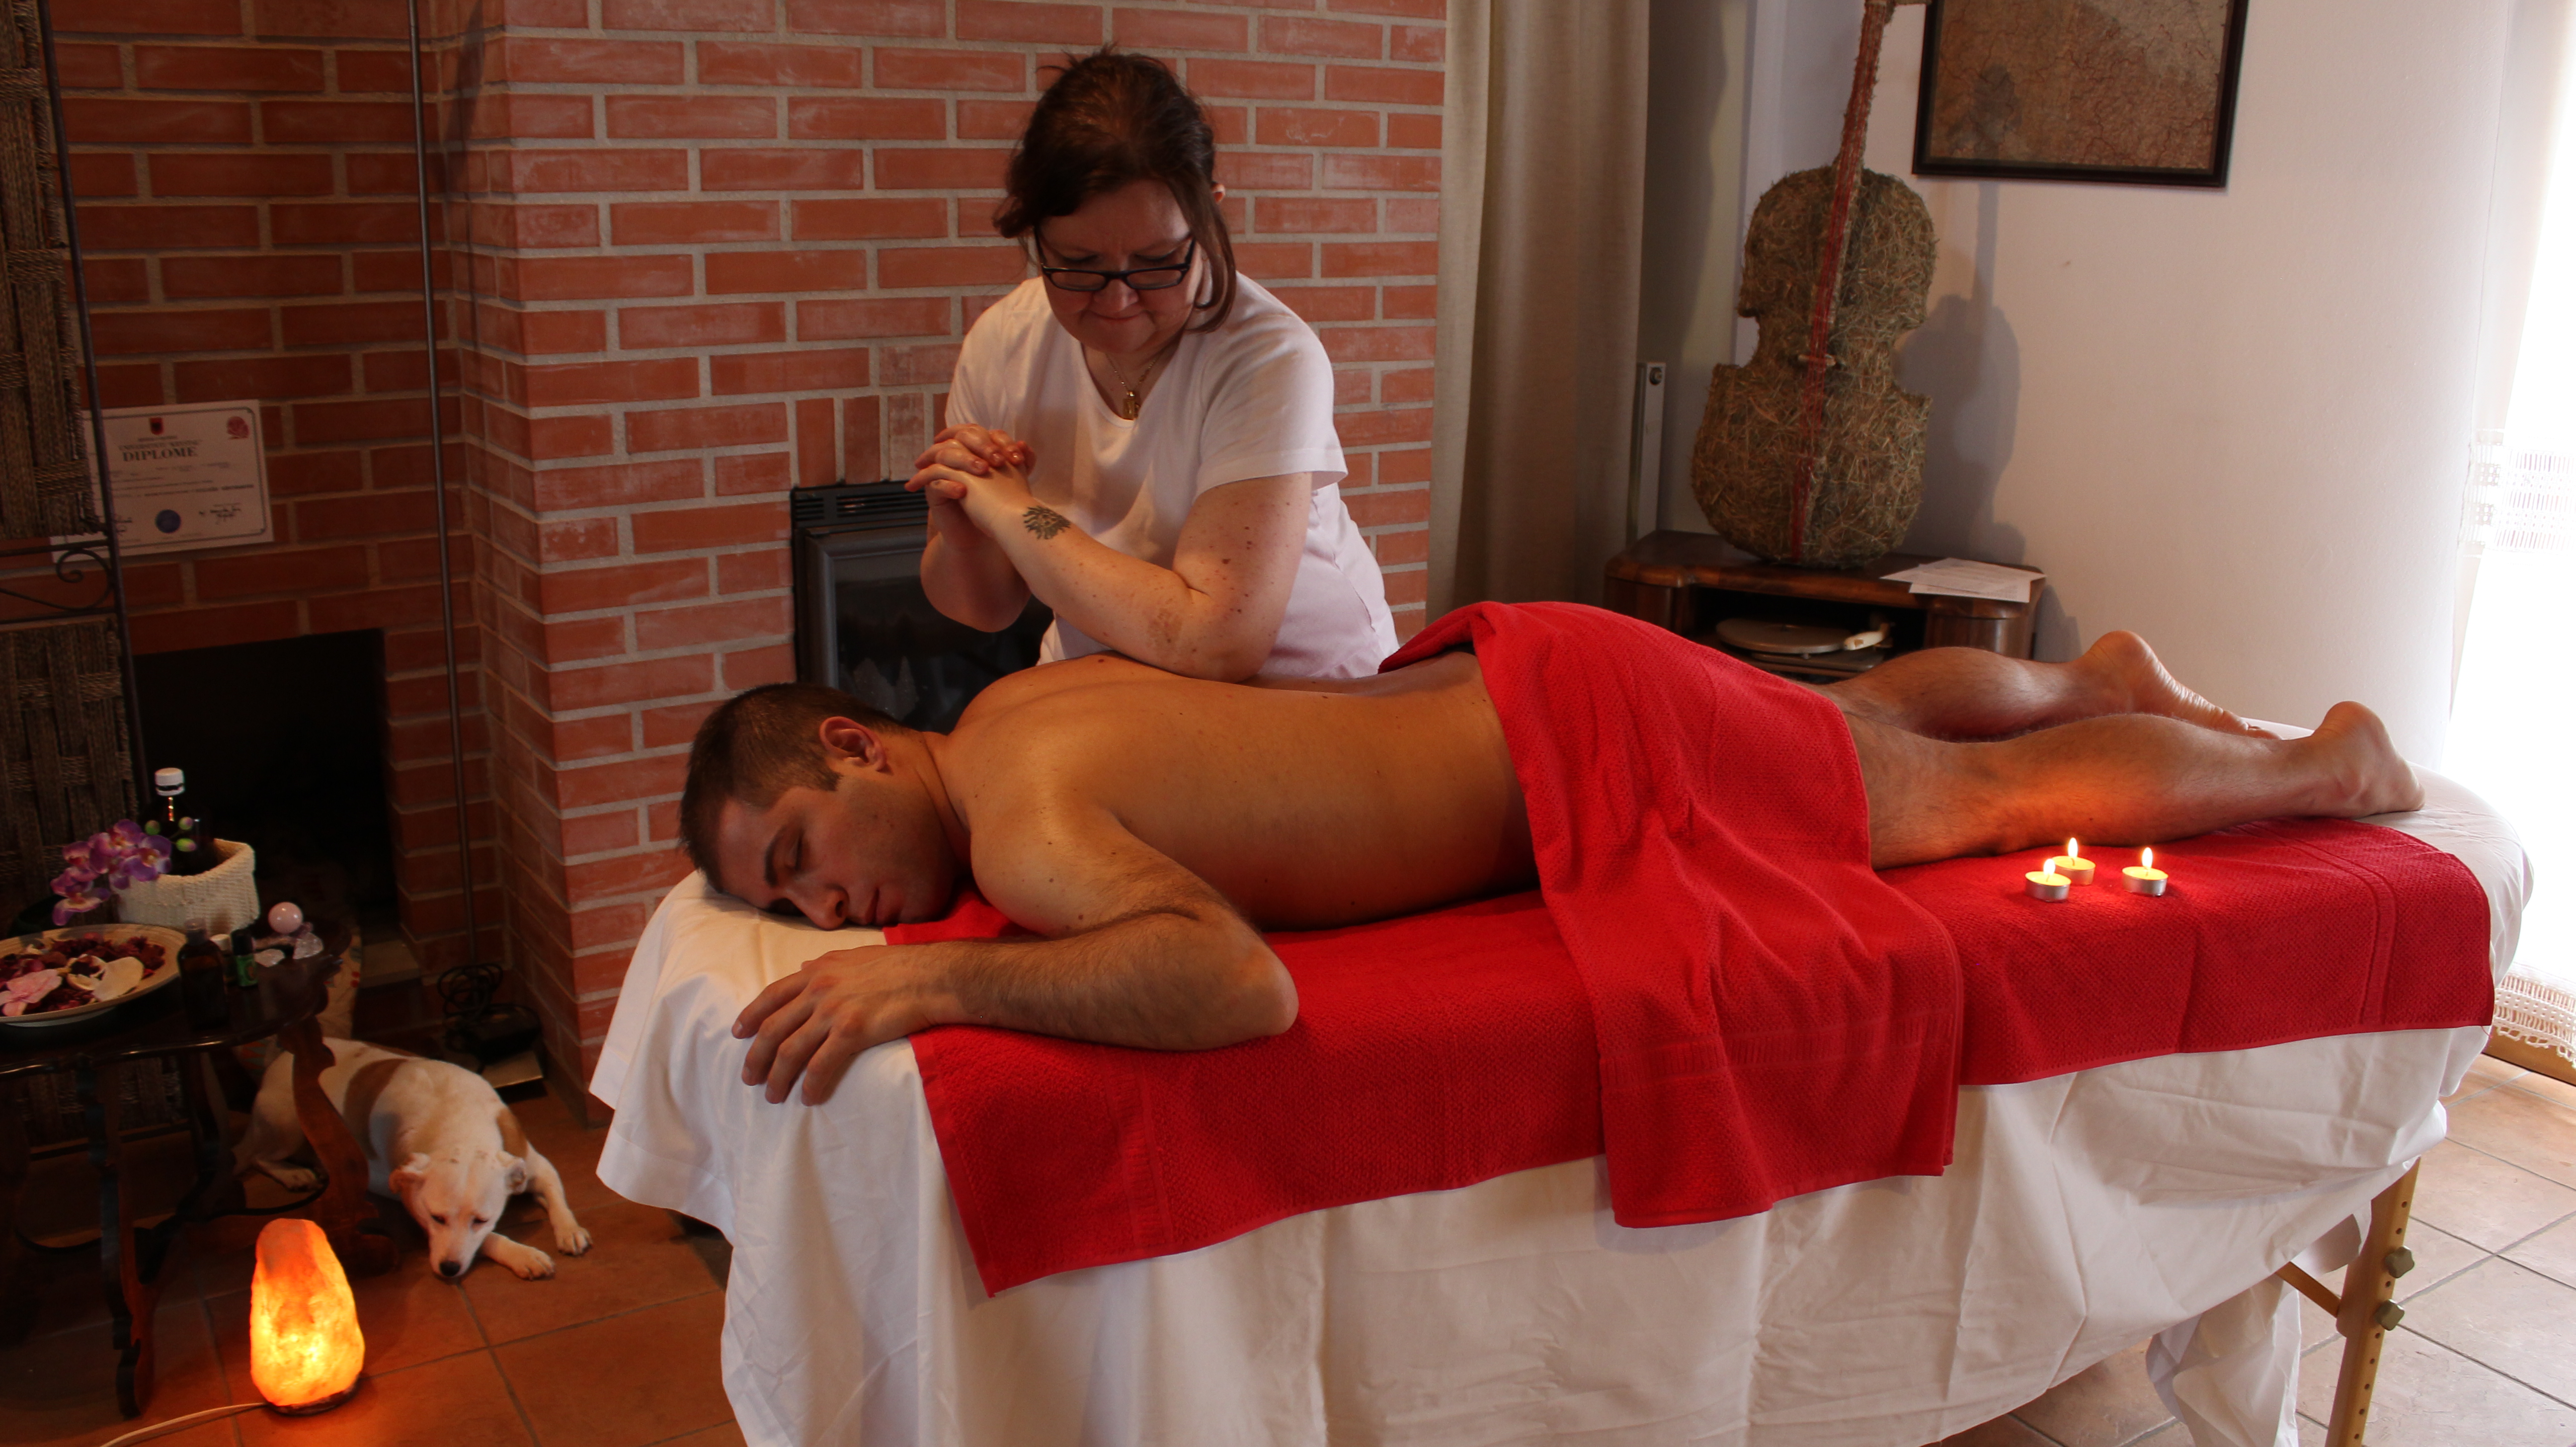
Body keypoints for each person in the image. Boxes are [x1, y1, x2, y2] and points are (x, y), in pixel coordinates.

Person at [678, 613, 2423, 1105]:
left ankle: (2324, 763)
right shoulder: (1015, 705)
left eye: (803, 854)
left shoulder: (1024, 819)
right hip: (1543, 680)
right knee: (1859, 716)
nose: (826, 910)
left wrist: (943, 980)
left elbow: (1231, 982)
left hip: (1590, 746)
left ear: (855, 743)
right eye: (788, 903)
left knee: (1976, 804)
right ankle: (2098, 671)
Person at [908, 49, 1396, 683]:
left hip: (1301, 689)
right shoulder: (1005, 340)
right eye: (1078, 264)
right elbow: (985, 610)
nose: (1118, 301)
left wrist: (1010, 512)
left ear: (1209, 213)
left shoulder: (1268, 357)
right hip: (1116, 673)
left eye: (1157, 261)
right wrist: (966, 537)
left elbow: (1218, 645)